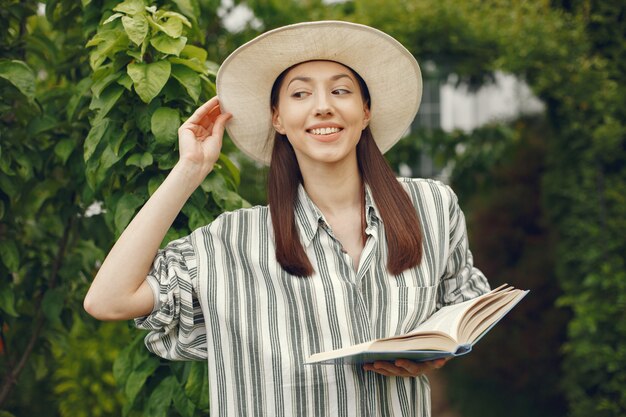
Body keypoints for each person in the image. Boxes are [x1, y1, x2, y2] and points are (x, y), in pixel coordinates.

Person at [84, 20, 490, 417]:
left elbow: (463, 309)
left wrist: (431, 357)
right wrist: (190, 168)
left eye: (341, 90)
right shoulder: (231, 240)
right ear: (277, 118)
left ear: (365, 111)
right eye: (300, 94)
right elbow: (109, 299)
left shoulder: (432, 207)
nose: (323, 106)